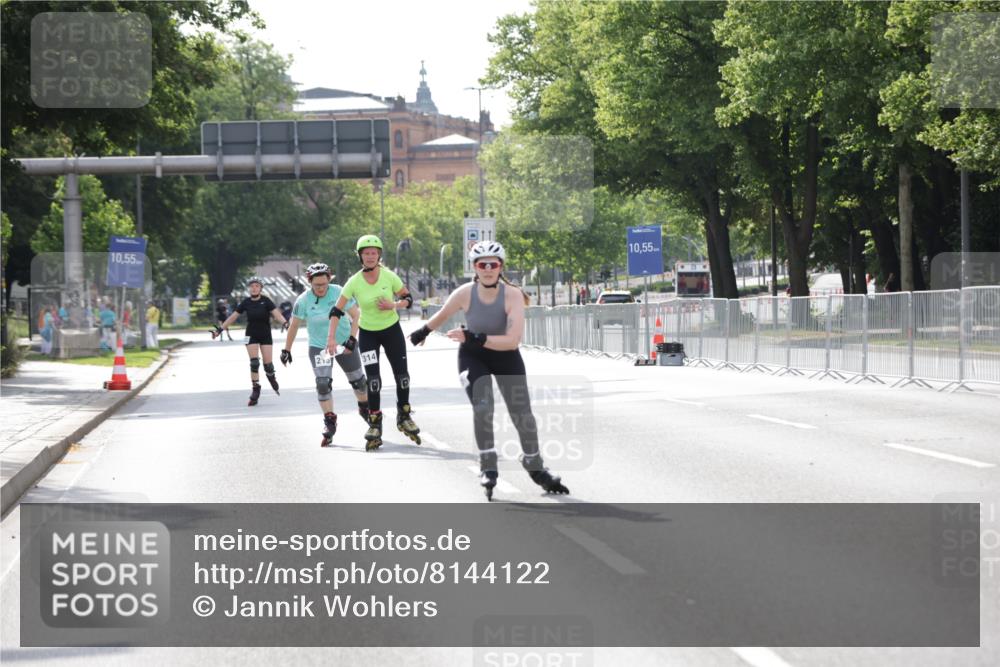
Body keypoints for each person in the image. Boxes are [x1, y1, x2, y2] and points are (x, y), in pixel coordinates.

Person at [409, 240, 570, 500]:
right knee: (483, 406)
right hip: (474, 357)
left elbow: (512, 340)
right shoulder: (464, 293)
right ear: (474, 267)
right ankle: (488, 463)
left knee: (522, 413)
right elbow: (443, 313)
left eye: (492, 264)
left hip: (505, 355)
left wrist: (476, 336)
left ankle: (534, 464)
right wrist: (423, 331)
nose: (487, 269)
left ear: (500, 266)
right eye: (481, 264)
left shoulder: (512, 295)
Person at [326, 234, 420, 451]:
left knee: (402, 376)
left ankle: (404, 415)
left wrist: (394, 305)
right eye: (366, 253)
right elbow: (336, 310)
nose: (370, 256)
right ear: (360, 256)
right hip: (368, 334)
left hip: (391, 331)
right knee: (374, 380)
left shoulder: (389, 277)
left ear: (379, 255)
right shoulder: (354, 281)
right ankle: (375, 422)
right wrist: (331, 337)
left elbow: (409, 300)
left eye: (373, 253)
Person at [281, 263, 368, 447]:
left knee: (359, 381)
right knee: (322, 383)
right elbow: (294, 325)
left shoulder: (338, 292)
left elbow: (356, 314)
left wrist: (353, 338)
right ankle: (329, 421)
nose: (320, 289)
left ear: (329, 280)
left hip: (344, 342)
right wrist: (286, 349)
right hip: (319, 346)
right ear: (310, 282)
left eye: (324, 284)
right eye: (316, 285)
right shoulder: (303, 300)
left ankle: (364, 408)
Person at [214, 277, 289, 406]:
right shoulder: (246, 302)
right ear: (249, 288)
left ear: (261, 288)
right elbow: (233, 317)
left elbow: (277, 314)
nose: (254, 288)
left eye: (256, 286)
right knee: (254, 363)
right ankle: (255, 389)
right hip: (250, 335)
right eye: (252, 286)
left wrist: (287, 324)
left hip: (265, 334)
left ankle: (271, 377)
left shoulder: (266, 301)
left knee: (268, 365)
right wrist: (220, 329)